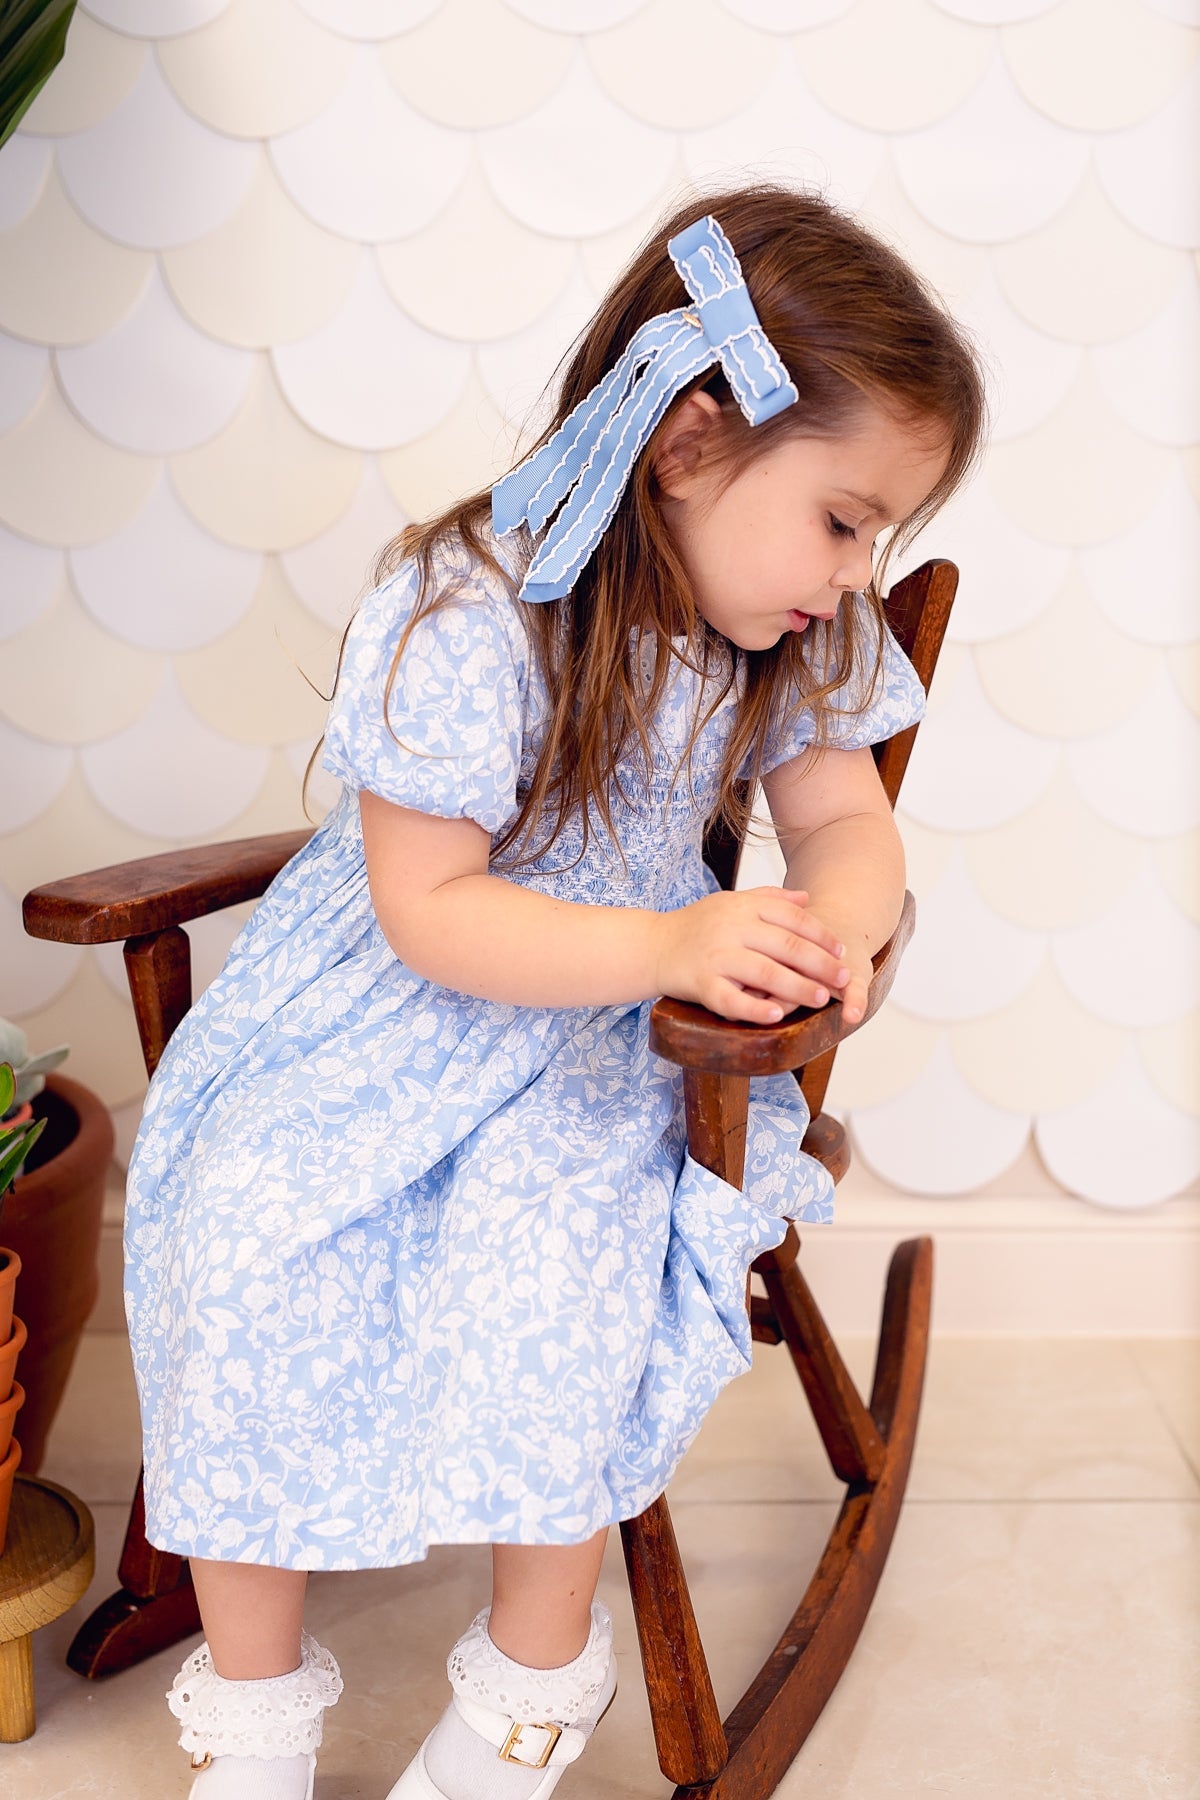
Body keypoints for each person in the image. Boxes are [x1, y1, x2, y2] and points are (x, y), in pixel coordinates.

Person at [124, 185, 986, 1800]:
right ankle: (253, 1715)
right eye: (843, 520)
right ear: (690, 442)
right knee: (244, 1229)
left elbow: (845, 822)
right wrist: (667, 944)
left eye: (883, 535)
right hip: (392, 1004)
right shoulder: (472, 599)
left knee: (556, 1259)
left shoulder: (791, 636)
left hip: (614, 1035)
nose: (859, 570)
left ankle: (531, 1683)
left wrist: (838, 930)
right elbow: (430, 908)